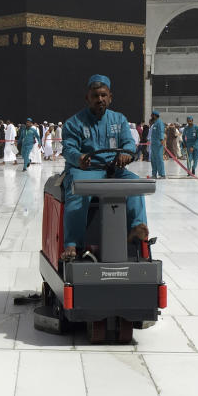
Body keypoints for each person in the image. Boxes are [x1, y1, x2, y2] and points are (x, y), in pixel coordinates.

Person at [60, 74, 149, 262]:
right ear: (87, 98)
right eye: (95, 96)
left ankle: (138, 227)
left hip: (113, 168)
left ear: (110, 97)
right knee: (78, 190)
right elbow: (68, 149)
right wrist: (79, 157)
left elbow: (128, 143)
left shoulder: (119, 119)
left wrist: (126, 153)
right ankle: (72, 244)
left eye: (103, 95)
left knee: (134, 183)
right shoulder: (74, 123)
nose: (99, 99)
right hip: (85, 170)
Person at [148, 110, 166, 179]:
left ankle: (162, 174)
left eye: (152, 115)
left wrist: (161, 139)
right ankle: (154, 174)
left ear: (155, 115)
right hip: (153, 144)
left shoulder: (159, 123)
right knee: (153, 160)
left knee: (159, 159)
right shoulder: (154, 123)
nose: (151, 116)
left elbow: (161, 131)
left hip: (158, 144)